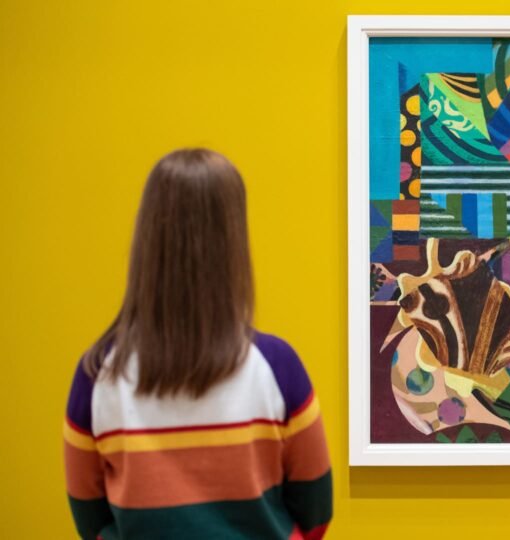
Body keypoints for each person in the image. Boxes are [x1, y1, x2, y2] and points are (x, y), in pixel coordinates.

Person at [63, 149, 332, 539]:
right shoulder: (277, 366)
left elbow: (90, 519)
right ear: (233, 241)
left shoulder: (97, 374)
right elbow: (316, 513)